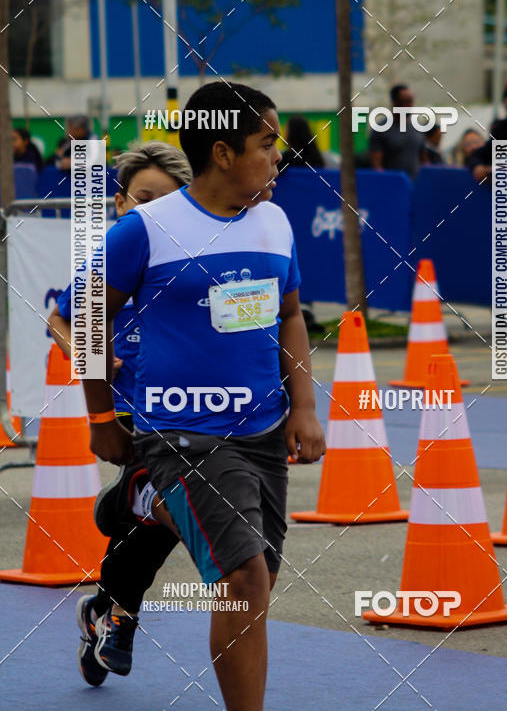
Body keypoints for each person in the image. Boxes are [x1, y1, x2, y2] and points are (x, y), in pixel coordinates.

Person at [79, 81, 326, 710]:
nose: (278, 157)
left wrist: (303, 407)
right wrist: (102, 415)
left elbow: (291, 315)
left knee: (258, 580)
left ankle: (143, 502)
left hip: (263, 433)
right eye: (266, 144)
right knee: (243, 575)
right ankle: (148, 491)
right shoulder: (147, 229)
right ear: (222, 151)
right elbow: (87, 317)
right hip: (180, 434)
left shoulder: (273, 221)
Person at [48, 142, 192, 687]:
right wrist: (87, 350)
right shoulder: (108, 257)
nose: (150, 210)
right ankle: (118, 615)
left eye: (165, 201)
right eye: (142, 198)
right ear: (119, 201)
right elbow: (61, 320)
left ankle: (106, 606)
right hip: (127, 407)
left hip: (184, 411)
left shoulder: (186, 261)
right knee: (166, 508)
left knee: (159, 519)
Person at [369, 83, 424, 179]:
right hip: (392, 188)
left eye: (411, 101)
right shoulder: (381, 129)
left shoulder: (417, 128)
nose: (409, 106)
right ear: (395, 103)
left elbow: (423, 159)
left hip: (415, 187)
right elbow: (377, 166)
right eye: (405, 102)